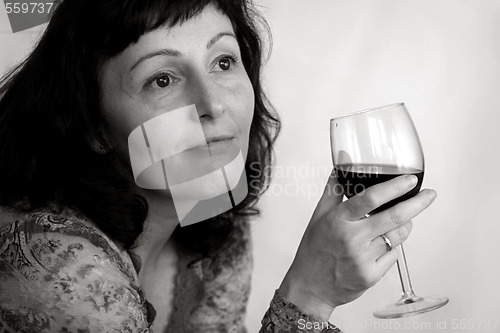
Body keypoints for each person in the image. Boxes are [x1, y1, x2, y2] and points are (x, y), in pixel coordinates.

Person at [0, 0, 437, 332]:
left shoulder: (215, 221)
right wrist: (309, 296)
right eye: (163, 79)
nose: (213, 104)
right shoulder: (52, 262)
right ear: (92, 126)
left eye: (223, 62)